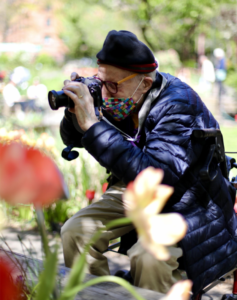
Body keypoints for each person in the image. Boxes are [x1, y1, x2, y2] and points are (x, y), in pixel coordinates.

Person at [60, 30, 237, 297]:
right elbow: (74, 137)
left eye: (113, 85)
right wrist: (76, 111)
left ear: (144, 83)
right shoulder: (121, 96)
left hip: (188, 197)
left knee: (149, 257)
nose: (105, 92)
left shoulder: (178, 104)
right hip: (137, 188)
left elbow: (156, 175)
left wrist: (93, 126)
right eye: (100, 80)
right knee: (76, 232)